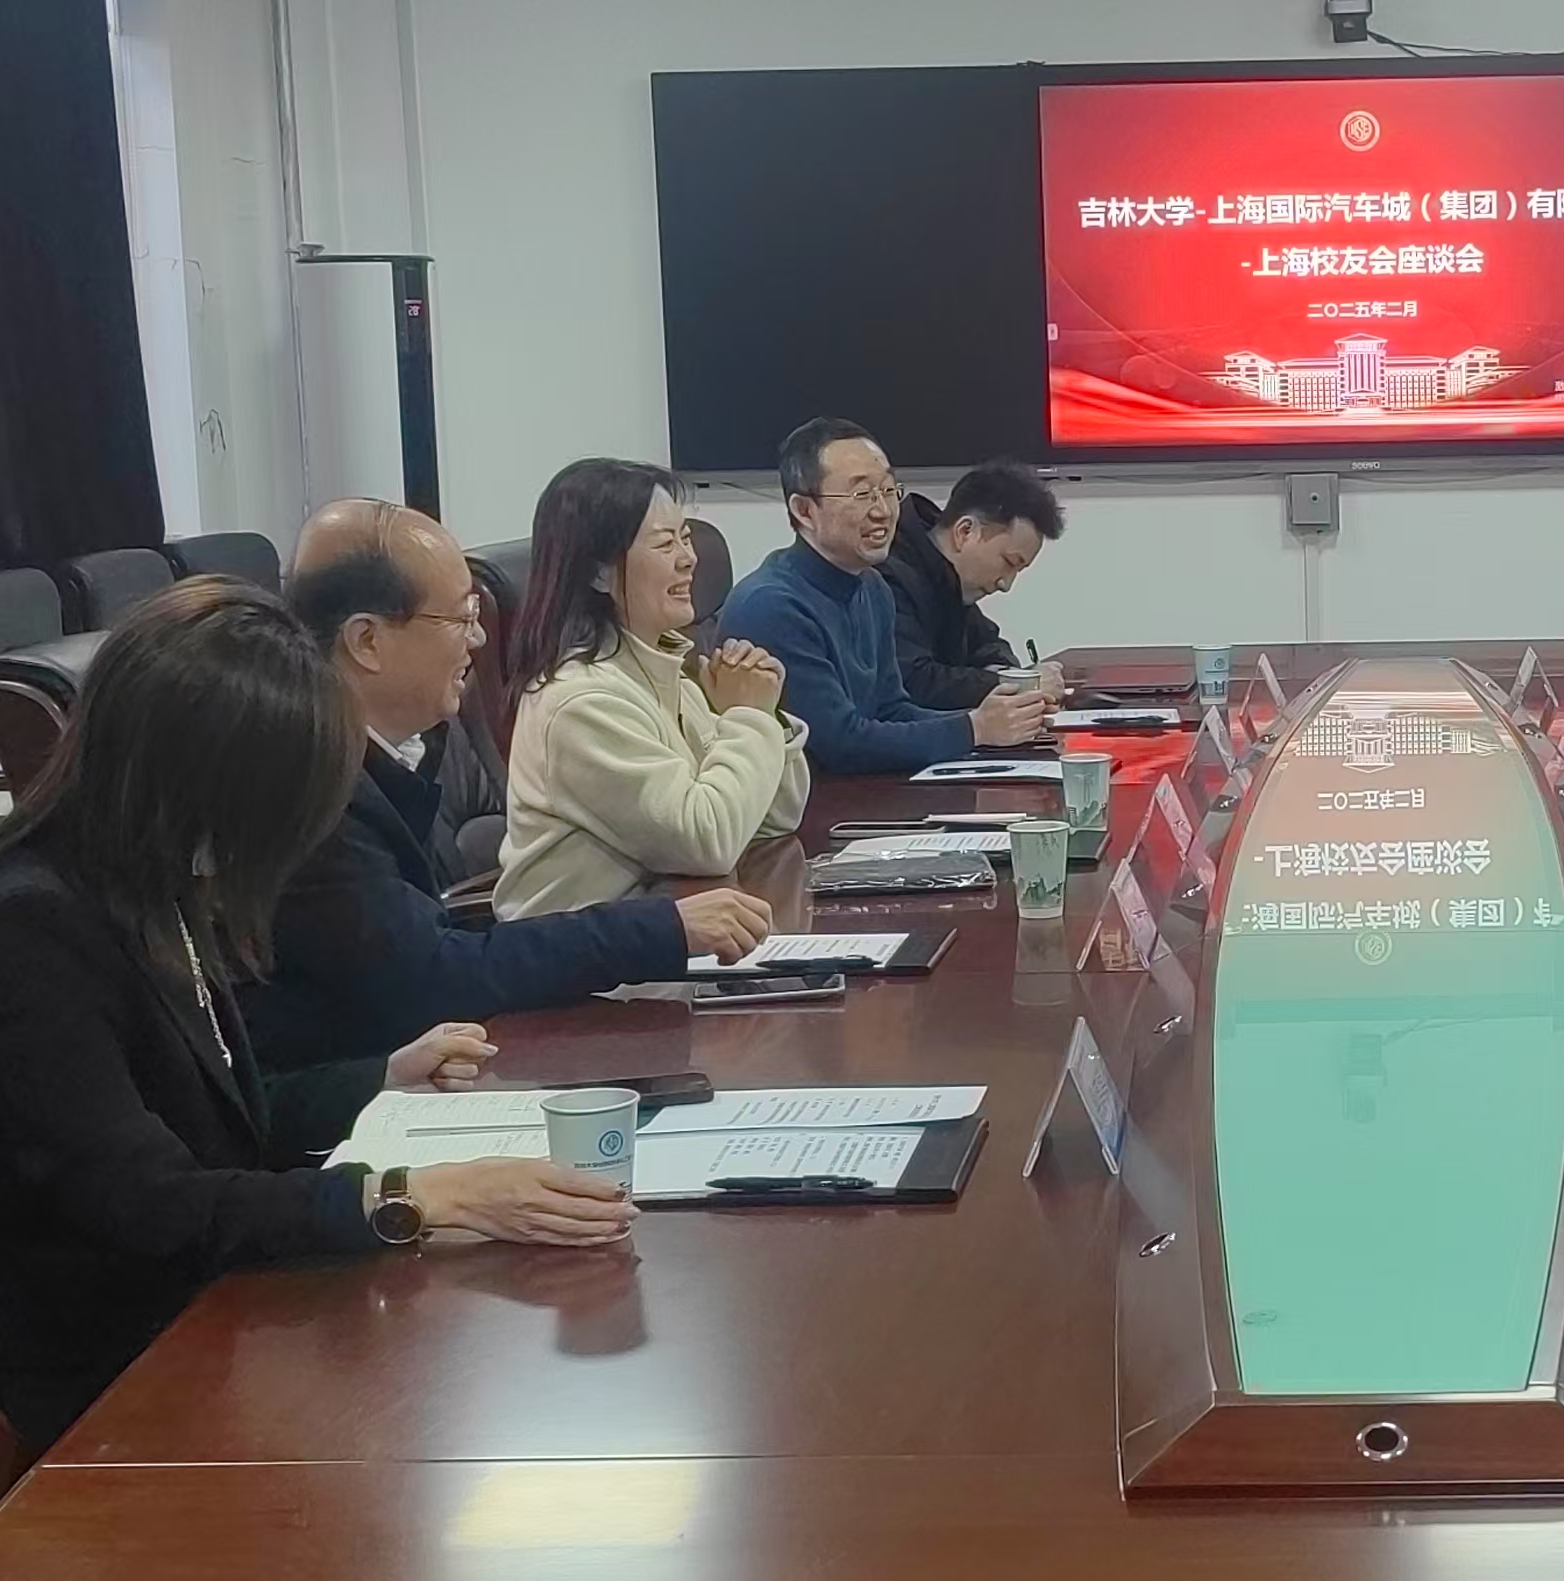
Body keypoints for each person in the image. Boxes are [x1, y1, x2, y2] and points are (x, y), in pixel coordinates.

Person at [0, 583, 631, 1520]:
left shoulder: (150, 886)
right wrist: (408, 1196)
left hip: (181, 1334)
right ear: (206, 781)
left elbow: (211, 1117)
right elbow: (147, 1201)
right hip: (55, 1409)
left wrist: (376, 1080)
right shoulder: (34, 933)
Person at [243, 501, 771, 1086]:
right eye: (460, 617)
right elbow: (429, 976)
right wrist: (661, 930)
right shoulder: (309, 789)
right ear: (367, 640)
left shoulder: (391, 754)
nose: (478, 638)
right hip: (344, 1104)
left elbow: (421, 944)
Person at [498, 459, 815, 916]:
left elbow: (775, 817)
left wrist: (766, 712)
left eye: (685, 537)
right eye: (665, 543)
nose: (689, 558)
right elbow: (707, 841)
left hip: (672, 931)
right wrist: (747, 716)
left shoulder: (668, 672)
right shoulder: (581, 702)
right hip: (592, 957)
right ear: (598, 573)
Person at [718, 420, 1052, 773]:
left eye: (888, 490)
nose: (882, 511)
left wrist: (995, 720)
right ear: (804, 511)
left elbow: (892, 710)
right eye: (862, 495)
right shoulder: (773, 606)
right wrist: (975, 729)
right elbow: (838, 743)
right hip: (814, 798)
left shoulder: (873, 588)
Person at [885, 460, 1068, 712]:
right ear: (965, 532)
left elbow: (989, 645)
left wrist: (1006, 675)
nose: (1006, 584)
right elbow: (913, 681)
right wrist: (1017, 684)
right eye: (1009, 562)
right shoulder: (888, 575)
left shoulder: (949, 579)